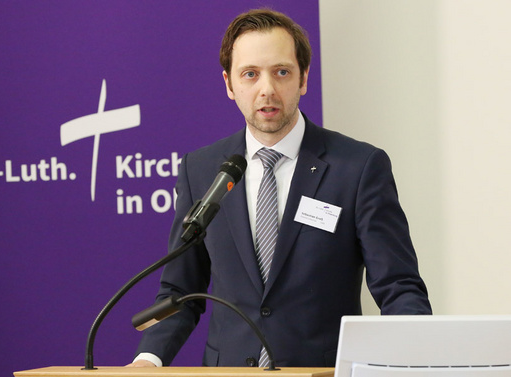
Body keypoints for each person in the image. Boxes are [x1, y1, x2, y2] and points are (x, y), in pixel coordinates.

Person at [129, 8, 432, 368]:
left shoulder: (358, 168)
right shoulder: (202, 170)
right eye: (250, 74)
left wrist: (413, 359)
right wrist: (148, 360)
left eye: (282, 72)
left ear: (303, 79)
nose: (267, 90)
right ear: (229, 84)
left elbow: (398, 287)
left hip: (322, 372)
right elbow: (180, 291)